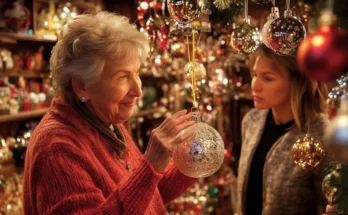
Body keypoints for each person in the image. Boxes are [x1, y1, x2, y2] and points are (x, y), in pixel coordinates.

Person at [24, 12, 196, 215]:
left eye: (137, 73)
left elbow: (146, 198)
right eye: (123, 76)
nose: (138, 90)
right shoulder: (57, 149)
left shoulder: (104, 122)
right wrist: (150, 166)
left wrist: (192, 159)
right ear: (82, 86)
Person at [236, 44, 330, 215]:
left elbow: (331, 205)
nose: (255, 85)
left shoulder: (320, 134)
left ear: (297, 82)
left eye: (268, 78)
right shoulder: (252, 121)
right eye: (255, 75)